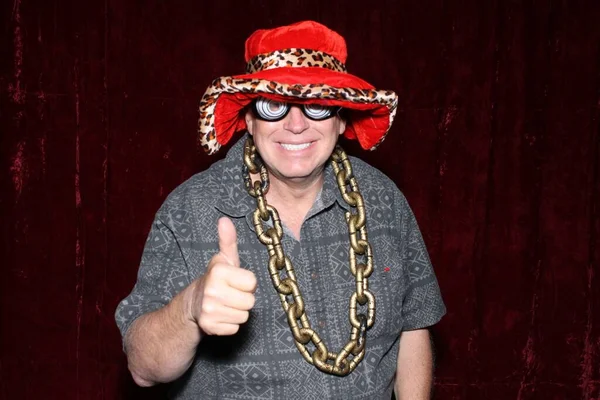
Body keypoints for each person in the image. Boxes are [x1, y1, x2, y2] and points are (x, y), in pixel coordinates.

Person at [115, 20, 446, 399]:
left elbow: (413, 326)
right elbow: (142, 366)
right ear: (250, 119)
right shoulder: (190, 210)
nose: (296, 124)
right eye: (274, 104)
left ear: (340, 119)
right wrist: (189, 309)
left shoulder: (385, 202)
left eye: (317, 104)